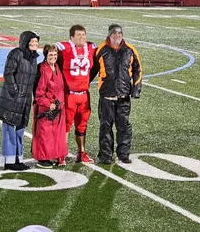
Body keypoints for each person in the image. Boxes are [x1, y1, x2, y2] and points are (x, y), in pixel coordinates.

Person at [92, 24, 142, 164]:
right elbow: (91, 69)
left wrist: (136, 89)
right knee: (105, 126)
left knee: (124, 125)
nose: (117, 37)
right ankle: (106, 155)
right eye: (114, 34)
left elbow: (138, 69)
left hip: (124, 95)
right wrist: (82, 85)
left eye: (119, 34)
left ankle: (123, 154)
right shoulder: (101, 50)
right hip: (107, 95)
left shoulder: (130, 50)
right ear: (109, 35)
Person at [0, 31, 40, 171]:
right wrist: (16, 92)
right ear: (24, 41)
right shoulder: (15, 53)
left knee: (20, 129)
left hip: (24, 100)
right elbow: (8, 74)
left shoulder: (33, 58)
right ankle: (8, 161)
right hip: (11, 99)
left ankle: (18, 159)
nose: (34, 44)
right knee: (9, 129)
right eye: (31, 41)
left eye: (36, 42)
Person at [56, 24, 97, 163]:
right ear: (71, 37)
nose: (82, 37)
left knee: (82, 125)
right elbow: (50, 50)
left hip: (84, 94)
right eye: (78, 35)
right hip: (69, 95)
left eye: (83, 35)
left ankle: (82, 153)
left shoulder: (91, 48)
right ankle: (61, 154)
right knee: (65, 125)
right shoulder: (64, 48)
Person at [32, 44, 67, 168]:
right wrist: (48, 104)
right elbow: (39, 93)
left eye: (55, 55)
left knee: (56, 134)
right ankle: (42, 158)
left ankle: (55, 155)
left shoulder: (56, 67)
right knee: (45, 134)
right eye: (50, 55)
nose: (53, 57)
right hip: (47, 108)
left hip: (59, 107)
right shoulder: (43, 70)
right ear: (45, 56)